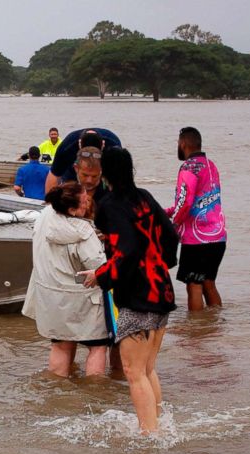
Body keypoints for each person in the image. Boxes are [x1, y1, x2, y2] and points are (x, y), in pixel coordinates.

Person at [82, 147, 179, 434]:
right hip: (161, 290)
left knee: (134, 373)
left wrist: (100, 276)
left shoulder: (110, 204)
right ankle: (158, 427)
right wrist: (162, 264)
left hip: (138, 296)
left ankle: (149, 437)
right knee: (147, 369)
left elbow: (127, 251)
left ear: (103, 173)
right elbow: (171, 235)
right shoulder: (144, 197)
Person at [22, 181, 109, 377]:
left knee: (61, 345)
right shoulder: (83, 232)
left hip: (50, 296)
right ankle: (96, 398)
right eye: (84, 201)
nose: (88, 203)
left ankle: (57, 394)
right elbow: (99, 265)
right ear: (71, 209)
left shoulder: (44, 217)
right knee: (97, 347)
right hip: (84, 299)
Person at [166, 126, 227, 311]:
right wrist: (165, 211)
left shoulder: (188, 167)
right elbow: (199, 201)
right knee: (209, 282)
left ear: (183, 143)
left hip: (196, 240)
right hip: (218, 237)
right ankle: (215, 326)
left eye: (178, 143)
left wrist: (173, 225)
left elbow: (185, 203)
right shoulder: (211, 165)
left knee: (194, 284)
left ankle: (196, 332)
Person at [44, 128, 121, 193]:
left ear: (103, 145)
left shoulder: (113, 146)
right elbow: (54, 175)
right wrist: (51, 206)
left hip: (103, 170)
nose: (89, 181)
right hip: (72, 173)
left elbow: (122, 179)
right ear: (79, 144)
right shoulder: (67, 147)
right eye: (85, 175)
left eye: (93, 177)